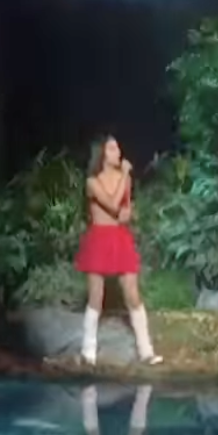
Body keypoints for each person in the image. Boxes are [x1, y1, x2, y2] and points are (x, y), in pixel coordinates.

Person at [73, 135, 160, 366]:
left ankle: (146, 351)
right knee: (96, 296)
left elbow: (124, 209)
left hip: (120, 237)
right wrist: (125, 175)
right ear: (102, 153)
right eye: (112, 148)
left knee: (132, 293)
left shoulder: (124, 179)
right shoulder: (92, 182)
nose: (118, 152)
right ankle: (88, 352)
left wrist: (128, 213)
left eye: (118, 148)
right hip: (99, 238)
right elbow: (112, 203)